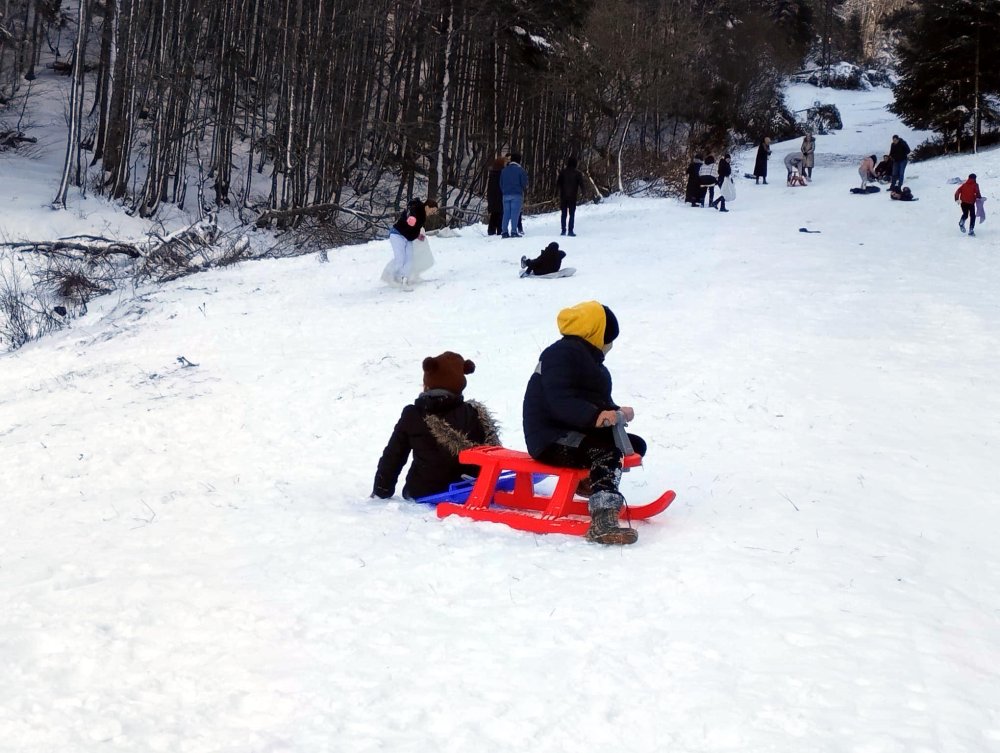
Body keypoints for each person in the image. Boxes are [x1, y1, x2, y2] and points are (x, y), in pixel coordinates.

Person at [522, 301, 647, 545]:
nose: (610, 346)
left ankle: (590, 483)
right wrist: (595, 416)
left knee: (632, 445)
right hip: (549, 436)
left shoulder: (594, 365)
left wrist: (615, 412)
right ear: (596, 334)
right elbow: (560, 399)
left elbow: (597, 402)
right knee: (607, 453)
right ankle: (602, 521)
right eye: (608, 339)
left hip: (574, 430)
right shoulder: (559, 355)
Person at [372, 351, 501, 500]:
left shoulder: (413, 414)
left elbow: (393, 455)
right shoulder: (474, 413)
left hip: (424, 491)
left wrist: (382, 489)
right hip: (467, 489)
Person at [388, 198, 438, 289]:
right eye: (433, 210)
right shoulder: (416, 207)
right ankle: (393, 278)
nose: (433, 213)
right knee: (400, 259)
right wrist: (411, 217)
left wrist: (418, 235)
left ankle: (404, 280)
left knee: (410, 260)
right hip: (397, 235)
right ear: (427, 207)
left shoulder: (423, 217)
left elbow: (415, 227)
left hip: (408, 239)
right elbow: (411, 210)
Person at [500, 152, 528, 238]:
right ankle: (513, 231)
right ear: (519, 161)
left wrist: (504, 191)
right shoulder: (521, 170)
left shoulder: (504, 170)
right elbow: (524, 184)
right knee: (515, 214)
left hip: (505, 194)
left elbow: (501, 183)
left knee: (506, 214)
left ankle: (504, 231)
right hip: (516, 194)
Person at [556, 157, 585, 236]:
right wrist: (583, 192)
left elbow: (558, 184)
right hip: (573, 196)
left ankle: (563, 230)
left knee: (564, 213)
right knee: (572, 214)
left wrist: (557, 193)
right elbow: (581, 184)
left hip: (563, 196)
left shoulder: (562, 172)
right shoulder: (578, 173)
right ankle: (570, 230)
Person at [486, 156, 506, 236]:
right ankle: (500, 230)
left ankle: (491, 230)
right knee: (500, 214)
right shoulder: (502, 173)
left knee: (494, 214)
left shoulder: (492, 173)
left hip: (492, 197)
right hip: (499, 196)